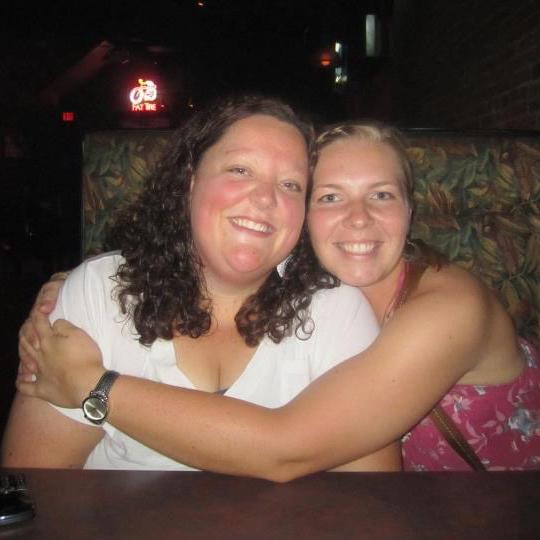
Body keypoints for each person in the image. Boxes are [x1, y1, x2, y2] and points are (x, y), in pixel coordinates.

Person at [9, 121, 540, 476]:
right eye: (329, 197)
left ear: (410, 212)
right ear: (303, 216)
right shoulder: (327, 292)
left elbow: (286, 448)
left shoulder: (450, 309)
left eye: (382, 195)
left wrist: (92, 385)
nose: (358, 219)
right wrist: (77, 288)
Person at [1, 97, 399, 472]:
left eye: (291, 184)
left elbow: (367, 495)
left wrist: (96, 387)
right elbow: (35, 486)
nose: (265, 198)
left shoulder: (336, 311)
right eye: (240, 170)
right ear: (190, 181)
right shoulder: (100, 292)